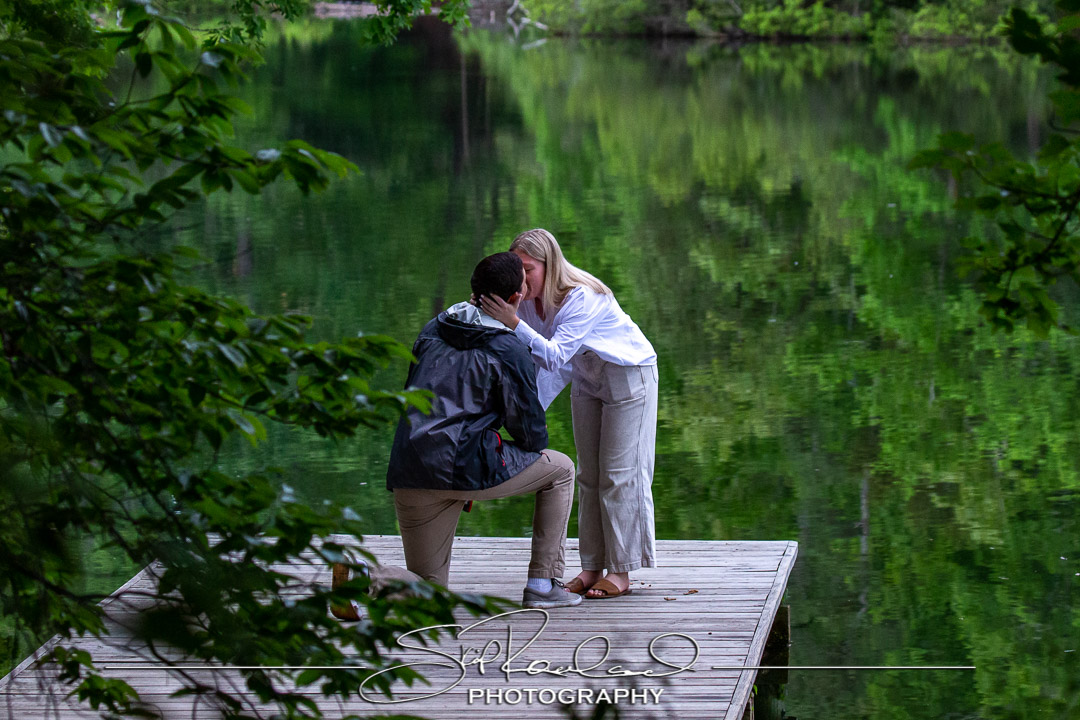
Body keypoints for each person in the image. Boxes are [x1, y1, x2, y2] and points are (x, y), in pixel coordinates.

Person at [383, 251, 582, 610]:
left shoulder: (431, 330)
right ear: (516, 298)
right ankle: (542, 584)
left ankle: (364, 577)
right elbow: (532, 437)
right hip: (465, 467)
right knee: (561, 470)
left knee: (429, 591)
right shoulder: (508, 347)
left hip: (411, 469)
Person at [480, 229, 658, 600]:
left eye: (528, 268)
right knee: (589, 476)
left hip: (628, 373)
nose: (522, 278)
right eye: (518, 269)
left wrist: (513, 322)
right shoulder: (526, 303)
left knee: (620, 475)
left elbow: (554, 355)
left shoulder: (582, 297)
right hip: (586, 375)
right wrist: (523, 417)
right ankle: (592, 567)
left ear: (550, 265)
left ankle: (622, 571)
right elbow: (541, 365)